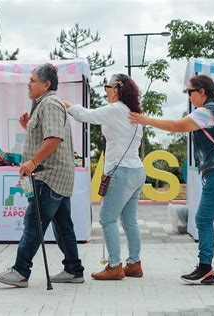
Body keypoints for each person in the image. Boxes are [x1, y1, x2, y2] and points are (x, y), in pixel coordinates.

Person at [130, 75, 214, 285]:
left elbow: (177, 126)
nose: (189, 97)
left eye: (190, 92)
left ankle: (205, 268)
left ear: (202, 91)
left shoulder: (207, 111)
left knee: (203, 219)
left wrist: (145, 120)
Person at [0, 63, 84, 287]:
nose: (28, 84)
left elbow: (54, 139)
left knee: (34, 222)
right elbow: (46, 136)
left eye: (32, 80)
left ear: (46, 84)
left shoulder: (50, 103)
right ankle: (74, 269)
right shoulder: (44, 104)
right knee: (63, 226)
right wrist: (28, 127)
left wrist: (32, 162)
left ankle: (21, 271)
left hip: (48, 176)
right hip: (57, 176)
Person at [63, 74, 145, 280]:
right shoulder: (133, 112)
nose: (105, 90)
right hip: (136, 170)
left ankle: (114, 266)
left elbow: (87, 115)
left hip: (121, 171)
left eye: (107, 86)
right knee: (129, 221)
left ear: (116, 88)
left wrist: (66, 105)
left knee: (107, 219)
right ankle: (134, 263)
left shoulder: (116, 109)